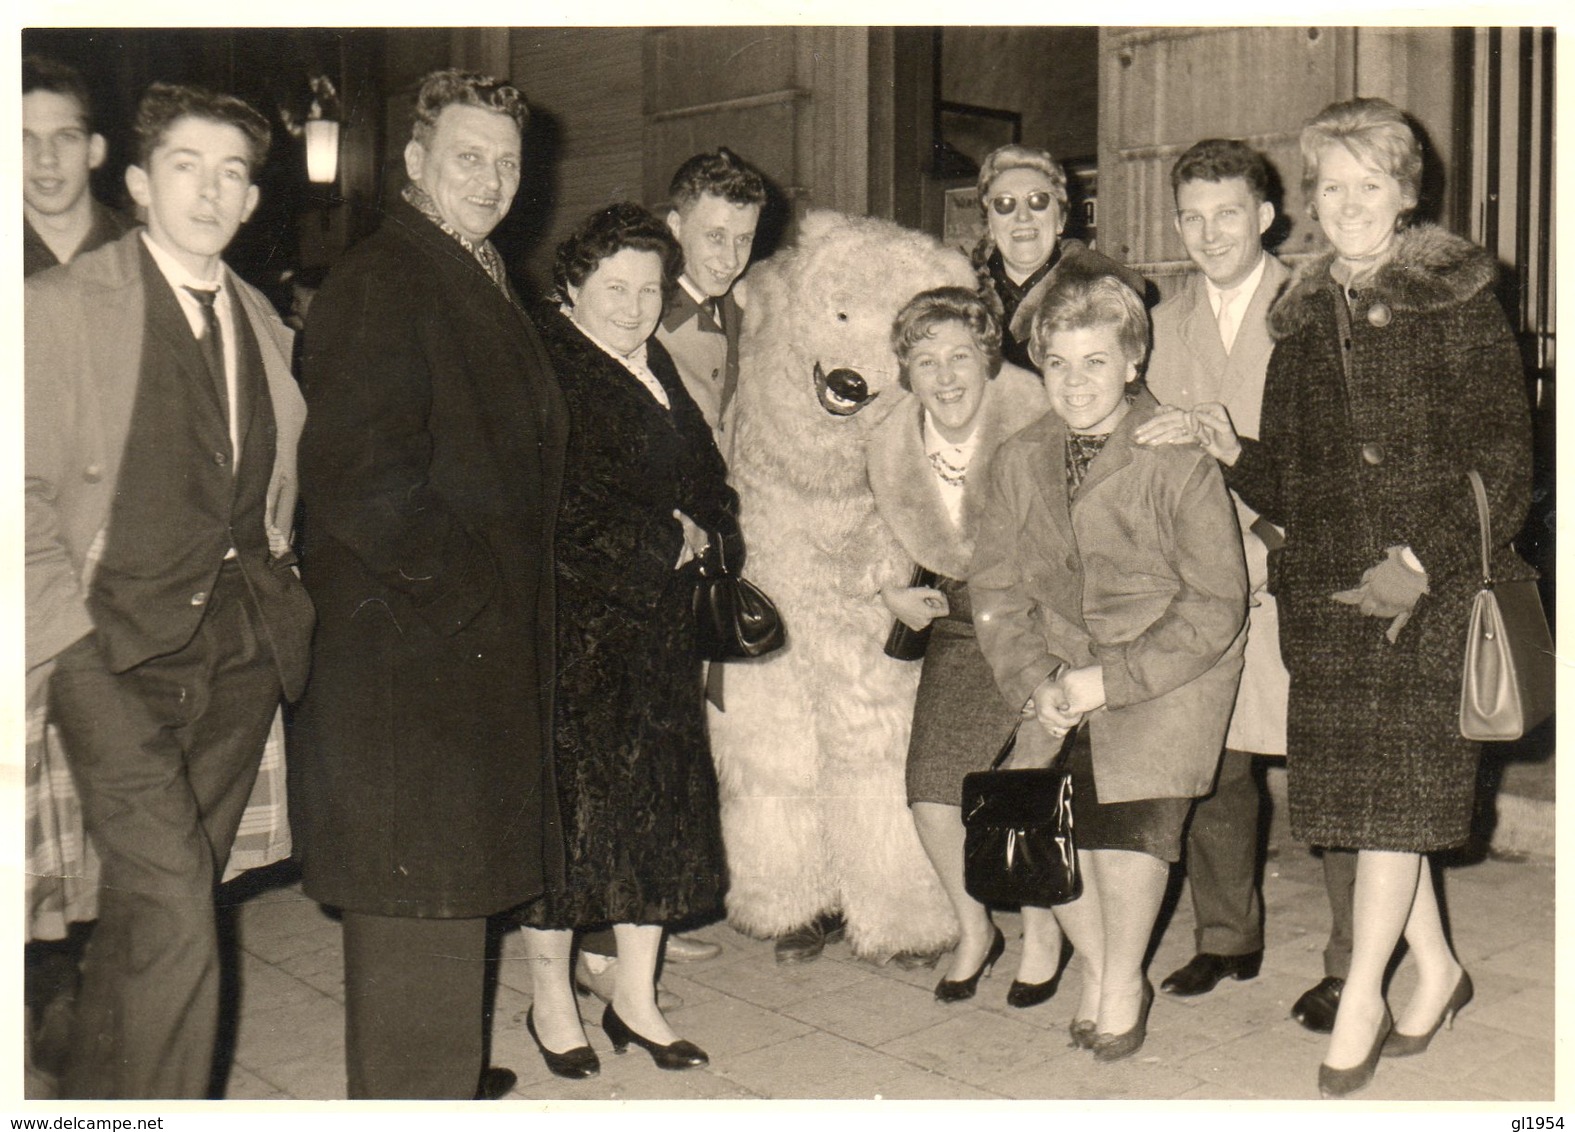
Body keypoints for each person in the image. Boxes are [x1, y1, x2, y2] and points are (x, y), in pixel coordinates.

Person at [1136, 97, 1531, 1097]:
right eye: (1332, 186)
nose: (1348, 203)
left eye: (1370, 183)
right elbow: (1295, 479)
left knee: (1395, 804)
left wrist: (1425, 562)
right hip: (1329, 595)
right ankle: (1437, 966)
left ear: (1406, 193)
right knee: (1366, 805)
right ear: (1310, 201)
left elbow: (1507, 465)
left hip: (1425, 595)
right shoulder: (1302, 312)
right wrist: (1236, 454)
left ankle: (1366, 991)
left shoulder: (1461, 299)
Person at [25, 81, 313, 1098]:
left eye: (232, 173)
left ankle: (91, 1106)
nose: (209, 189)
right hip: (106, 654)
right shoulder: (57, 309)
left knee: (151, 917)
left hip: (235, 660)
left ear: (248, 203)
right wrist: (64, 641)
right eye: (186, 166)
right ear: (140, 182)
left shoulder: (266, 325)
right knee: (182, 904)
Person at [292, 69, 568, 1100]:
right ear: (414, 164)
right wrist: (477, 605)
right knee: (418, 919)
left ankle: (438, 1081)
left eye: (508, 161)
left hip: (452, 660)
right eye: (469, 157)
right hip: (413, 670)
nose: (494, 179)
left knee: (447, 913)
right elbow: (360, 481)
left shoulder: (473, 268)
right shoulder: (385, 279)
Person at [971, 273, 1246, 1062]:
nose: (1074, 382)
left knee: (1126, 829)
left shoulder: (1174, 453)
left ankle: (1122, 977)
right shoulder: (1018, 456)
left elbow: (1213, 606)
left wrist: (1107, 682)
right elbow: (994, 587)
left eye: (1095, 362)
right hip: (1055, 665)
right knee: (1043, 820)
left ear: (1133, 361)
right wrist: (1034, 683)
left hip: (1169, 665)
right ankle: (1095, 965)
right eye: (1057, 363)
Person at [516, 202, 732, 1076]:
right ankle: (551, 1001)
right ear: (571, 286)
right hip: (582, 639)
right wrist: (665, 542)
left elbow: (707, 475)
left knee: (660, 817)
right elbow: (553, 505)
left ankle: (635, 1000)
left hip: (661, 638)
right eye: (615, 287)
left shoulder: (653, 365)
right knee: (575, 830)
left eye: (649, 287)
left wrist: (711, 530)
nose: (634, 305)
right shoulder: (550, 367)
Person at [867, 287, 1066, 1006]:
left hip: (1039, 617)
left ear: (987, 359)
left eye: (959, 356)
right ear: (906, 374)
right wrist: (888, 587)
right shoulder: (889, 441)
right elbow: (862, 532)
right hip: (956, 623)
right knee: (930, 794)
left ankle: (1042, 933)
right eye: (926, 362)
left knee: (1019, 784)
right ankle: (974, 927)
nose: (946, 376)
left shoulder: (1040, 416)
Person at [969, 143, 1147, 372]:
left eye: (1038, 201)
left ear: (1061, 219)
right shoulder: (959, 296)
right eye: (1005, 203)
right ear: (990, 225)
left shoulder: (1115, 293)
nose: (1022, 216)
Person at [656, 146, 766, 446]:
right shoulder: (644, 316)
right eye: (715, 237)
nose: (731, 259)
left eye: (743, 240)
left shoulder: (748, 311)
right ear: (676, 226)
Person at [22, 55, 134, 276]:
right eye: (24, 138)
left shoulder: (145, 250)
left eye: (65, 137)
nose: (46, 158)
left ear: (94, 151)